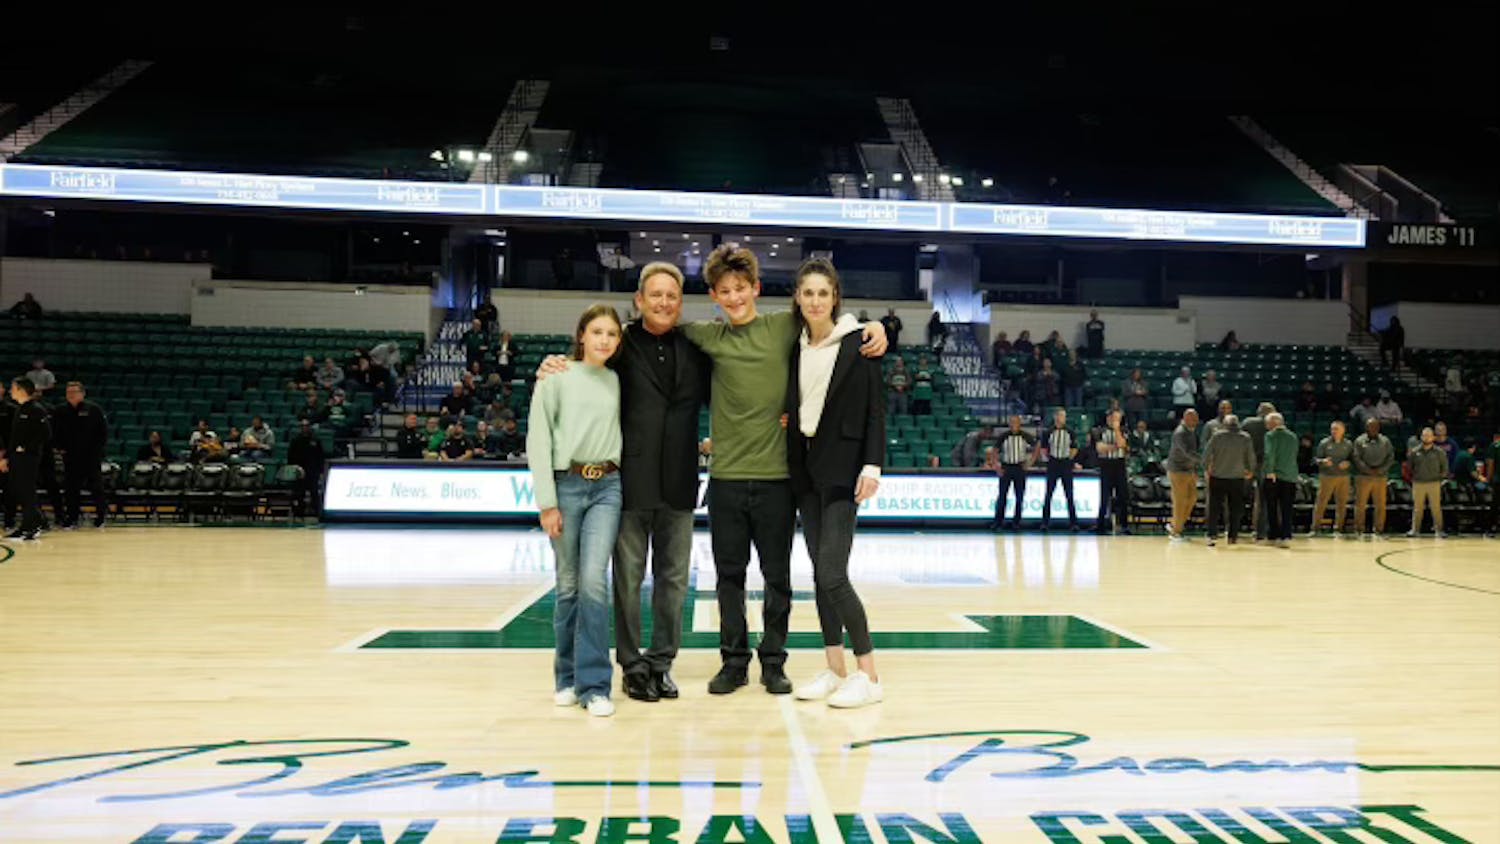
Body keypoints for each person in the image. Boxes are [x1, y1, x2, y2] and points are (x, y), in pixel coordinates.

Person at [673, 245, 886, 697]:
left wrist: (878, 326)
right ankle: (744, 664)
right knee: (734, 578)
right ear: (714, 296)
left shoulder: (791, 330)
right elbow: (658, 328)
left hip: (789, 478)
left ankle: (788, 663)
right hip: (746, 477)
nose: (734, 297)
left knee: (791, 578)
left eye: (741, 288)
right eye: (725, 291)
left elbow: (861, 374)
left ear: (756, 288)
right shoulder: (719, 336)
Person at [785, 258, 885, 708]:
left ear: (835, 298)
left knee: (832, 573)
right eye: (808, 293)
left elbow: (875, 411)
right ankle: (835, 668)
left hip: (844, 469)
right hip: (805, 469)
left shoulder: (858, 342)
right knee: (819, 575)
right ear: (798, 297)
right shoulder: (793, 345)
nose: (815, 301)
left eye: (822, 293)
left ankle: (870, 676)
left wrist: (873, 465)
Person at [527, 304, 625, 717]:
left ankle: (596, 686)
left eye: (612, 334)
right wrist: (547, 502)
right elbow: (538, 438)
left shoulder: (617, 380)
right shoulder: (556, 377)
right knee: (567, 586)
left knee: (593, 582)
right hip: (566, 486)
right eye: (597, 331)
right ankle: (565, 677)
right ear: (581, 335)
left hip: (608, 487)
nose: (604, 340)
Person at [52, 382, 110, 529]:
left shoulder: (93, 409)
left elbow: (103, 432)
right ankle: (72, 518)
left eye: (74, 392)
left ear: (82, 394)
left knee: (96, 487)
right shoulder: (60, 410)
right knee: (71, 488)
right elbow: (54, 431)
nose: (71, 395)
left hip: (91, 456)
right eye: (68, 392)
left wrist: (98, 450)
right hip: (70, 456)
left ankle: (101, 516)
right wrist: (59, 448)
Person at [2, 378, 50, 541]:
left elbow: (45, 433)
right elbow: (14, 438)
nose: (11, 391)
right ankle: (29, 523)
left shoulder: (36, 409)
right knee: (19, 491)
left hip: (28, 458)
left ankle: (31, 526)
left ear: (22, 390)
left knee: (27, 491)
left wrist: (27, 447)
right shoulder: (19, 409)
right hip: (16, 457)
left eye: (13, 388)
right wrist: (7, 457)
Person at [1203, 414, 1254, 547]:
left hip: (1218, 476)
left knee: (1214, 508)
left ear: (1225, 424)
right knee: (1235, 509)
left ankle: (1212, 535)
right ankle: (1233, 536)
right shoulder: (1245, 437)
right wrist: (1250, 470)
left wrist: (1205, 468)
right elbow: (1250, 456)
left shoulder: (1217, 436)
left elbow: (1206, 454)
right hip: (1237, 477)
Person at [1310, 421, 1355, 537]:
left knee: (1342, 503)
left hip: (1343, 477)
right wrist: (1323, 461)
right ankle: (1315, 528)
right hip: (1327, 476)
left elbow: (1353, 459)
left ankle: (1338, 528)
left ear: (1343, 431)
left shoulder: (1348, 444)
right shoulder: (1324, 443)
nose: (1334, 431)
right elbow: (1316, 459)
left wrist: (1348, 463)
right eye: (1332, 429)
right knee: (1321, 502)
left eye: (1337, 429)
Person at [1352, 418, 1395, 540]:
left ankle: (1379, 530)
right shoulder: (1359, 441)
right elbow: (1356, 458)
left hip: (1380, 477)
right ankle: (1359, 530)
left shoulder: (1385, 441)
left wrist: (1381, 470)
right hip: (1363, 477)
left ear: (1378, 428)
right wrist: (1367, 470)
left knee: (1380, 505)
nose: (1373, 429)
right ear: (1366, 427)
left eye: (1375, 426)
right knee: (1360, 504)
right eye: (1370, 426)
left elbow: (1390, 457)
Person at [1262, 413, 1299, 549]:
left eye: (1267, 423)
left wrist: (1269, 471)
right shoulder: (1293, 436)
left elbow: (1269, 454)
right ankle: (1286, 535)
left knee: (1272, 507)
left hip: (1275, 476)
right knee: (1287, 508)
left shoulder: (1270, 436)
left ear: (1272, 424)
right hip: (1291, 476)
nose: (1266, 426)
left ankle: (1273, 535)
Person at [993, 415, 1035, 531]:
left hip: (1019, 468)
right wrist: (996, 466)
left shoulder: (1025, 436)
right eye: (1011, 422)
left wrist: (1030, 462)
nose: (1013, 425)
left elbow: (1037, 446)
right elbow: (995, 450)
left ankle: (1016, 523)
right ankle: (998, 522)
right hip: (1006, 467)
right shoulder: (1004, 436)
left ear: (1019, 423)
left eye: (1015, 422)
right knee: (1002, 496)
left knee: (1019, 497)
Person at [1040, 408, 1080, 532]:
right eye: (1059, 416)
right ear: (1055, 417)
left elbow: (1074, 448)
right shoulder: (1048, 432)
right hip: (1053, 463)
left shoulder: (1070, 432)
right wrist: (1050, 459)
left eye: (1063, 416)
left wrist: (1069, 459)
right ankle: (1045, 523)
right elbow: (1043, 449)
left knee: (1069, 495)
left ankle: (1073, 523)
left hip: (1065, 464)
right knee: (1048, 494)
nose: (1061, 418)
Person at [1241, 402, 1276, 542]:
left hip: (1246, 463)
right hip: (1263, 465)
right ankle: (1259, 532)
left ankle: (1232, 529)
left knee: (1238, 497)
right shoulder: (1273, 425)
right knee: (1262, 500)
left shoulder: (1247, 423)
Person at [1406, 427, 1448, 538]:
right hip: (1418, 483)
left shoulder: (1439, 452)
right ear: (1421, 437)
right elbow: (1410, 467)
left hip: (1434, 483)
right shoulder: (1415, 452)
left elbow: (1444, 468)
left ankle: (1439, 530)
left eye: (1429, 436)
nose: (1427, 438)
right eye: (1424, 435)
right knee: (1417, 508)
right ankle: (1415, 530)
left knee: (1436, 508)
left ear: (1433, 437)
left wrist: (1439, 478)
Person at [1166, 409, 1201, 541]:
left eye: (1196, 418)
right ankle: (1175, 532)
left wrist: (1195, 470)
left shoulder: (1191, 432)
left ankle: (1175, 525)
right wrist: (1203, 461)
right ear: (1185, 418)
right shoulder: (1180, 432)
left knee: (1192, 498)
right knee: (1180, 501)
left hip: (1189, 470)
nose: (1195, 421)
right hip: (1178, 470)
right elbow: (1186, 452)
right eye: (1192, 418)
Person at [1093, 408, 1130, 535]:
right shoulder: (1099, 431)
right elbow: (1100, 448)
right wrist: (1115, 447)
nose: (1116, 421)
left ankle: (1124, 525)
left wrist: (1116, 430)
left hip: (1119, 464)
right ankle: (1101, 525)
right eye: (1115, 418)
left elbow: (1122, 444)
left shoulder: (1124, 430)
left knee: (1123, 496)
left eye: (1119, 419)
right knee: (1104, 496)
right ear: (1108, 418)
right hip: (1106, 464)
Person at [286, 420, 326, 518]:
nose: (305, 428)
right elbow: (290, 456)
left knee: (314, 492)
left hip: (312, 470)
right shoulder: (296, 440)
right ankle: (299, 513)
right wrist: (294, 468)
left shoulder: (315, 440)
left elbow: (320, 456)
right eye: (303, 426)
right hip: (299, 470)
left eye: (307, 426)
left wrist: (320, 470)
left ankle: (317, 513)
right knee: (300, 493)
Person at [1485, 431, 1500, 539]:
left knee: (1495, 505)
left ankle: (1490, 528)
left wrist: (1488, 479)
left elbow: (1490, 463)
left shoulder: (1494, 446)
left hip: (1498, 480)